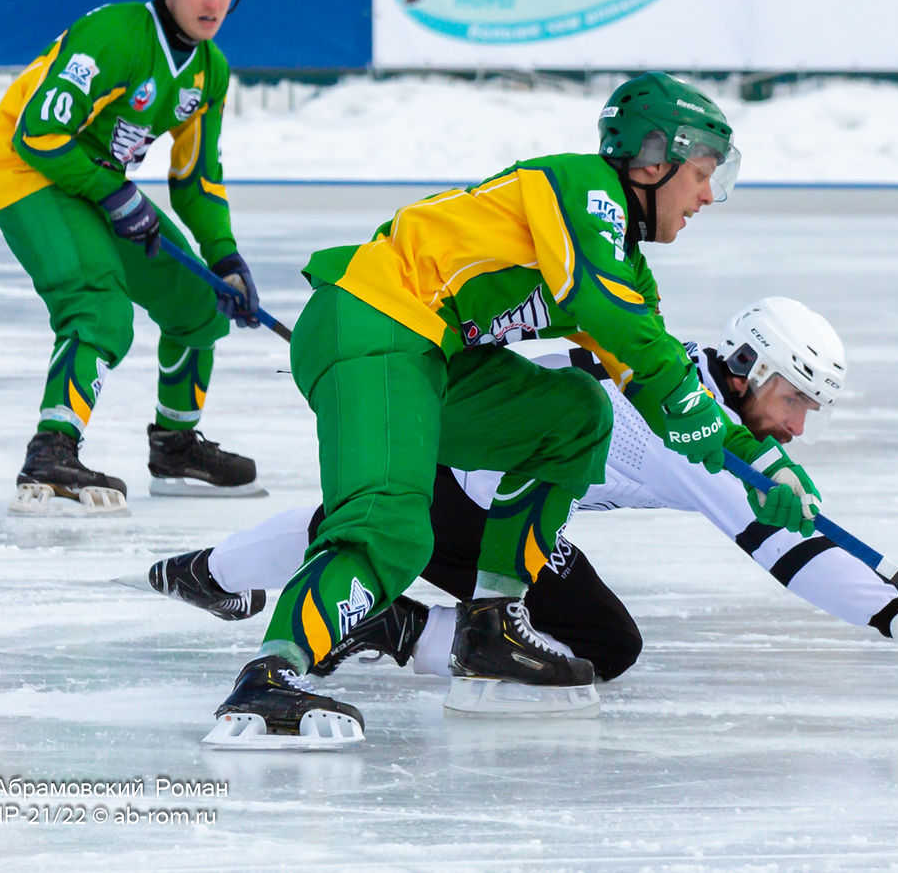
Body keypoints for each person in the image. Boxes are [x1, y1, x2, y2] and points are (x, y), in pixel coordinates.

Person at [205, 74, 823, 749]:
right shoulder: (584, 191)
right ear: (653, 161)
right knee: (391, 525)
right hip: (373, 319)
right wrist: (735, 444)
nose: (708, 196)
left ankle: (490, 624)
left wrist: (762, 462)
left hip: (433, 351)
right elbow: (610, 320)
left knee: (577, 412)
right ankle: (269, 676)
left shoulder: (623, 260)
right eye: (702, 174)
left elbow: (649, 378)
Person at [150, 297, 898, 714]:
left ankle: (209, 570)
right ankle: (389, 625)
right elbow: (785, 548)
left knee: (357, 520)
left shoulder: (682, 378)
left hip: (464, 465)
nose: (801, 424)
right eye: (795, 398)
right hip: (483, 503)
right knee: (602, 644)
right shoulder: (693, 433)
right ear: (749, 368)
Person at [0, 0, 265, 518]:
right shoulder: (114, 34)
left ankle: (175, 446)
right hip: (30, 171)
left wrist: (225, 257)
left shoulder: (210, 69)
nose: (213, 1)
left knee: (197, 304)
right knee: (99, 305)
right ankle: (52, 449)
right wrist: (115, 195)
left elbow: (196, 179)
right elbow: (38, 135)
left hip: (97, 178)